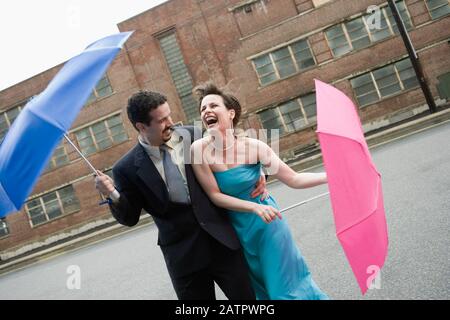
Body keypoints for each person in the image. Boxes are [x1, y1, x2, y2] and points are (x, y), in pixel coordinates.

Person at [94, 90, 268, 300]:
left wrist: (258, 172)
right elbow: (129, 217)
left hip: (223, 242)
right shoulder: (126, 168)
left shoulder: (193, 135)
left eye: (169, 115)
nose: (171, 122)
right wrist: (112, 193)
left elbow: (233, 150)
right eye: (162, 120)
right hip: (184, 258)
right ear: (141, 127)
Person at [190, 82, 329, 300]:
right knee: (261, 294)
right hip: (237, 234)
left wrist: (331, 177)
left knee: (284, 291)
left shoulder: (256, 147)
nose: (207, 111)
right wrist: (253, 207)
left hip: (269, 226)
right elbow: (215, 196)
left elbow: (294, 178)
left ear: (231, 113)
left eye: (213, 105)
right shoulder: (198, 150)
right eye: (203, 109)